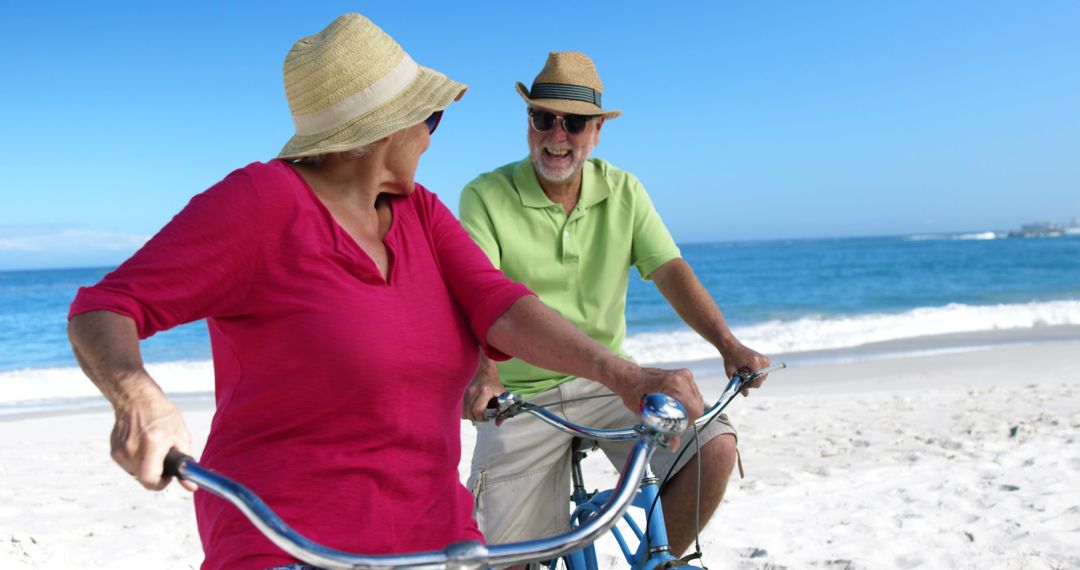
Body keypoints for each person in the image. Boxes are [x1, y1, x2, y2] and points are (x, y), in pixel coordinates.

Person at [67, 19, 702, 570]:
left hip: (435, 536)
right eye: (431, 118)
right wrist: (137, 396)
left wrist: (618, 372)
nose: (432, 136)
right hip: (287, 541)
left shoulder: (421, 212)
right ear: (384, 133)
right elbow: (105, 307)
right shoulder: (260, 205)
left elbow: (501, 305)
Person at [459, 51, 771, 561]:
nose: (556, 136)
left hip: (609, 384)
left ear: (598, 130)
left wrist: (728, 344)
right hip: (518, 398)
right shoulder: (485, 196)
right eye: (543, 118)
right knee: (507, 559)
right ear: (528, 121)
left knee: (714, 447)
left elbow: (669, 269)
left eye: (575, 123)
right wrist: (485, 374)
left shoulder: (624, 190)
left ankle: (652, 560)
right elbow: (479, 296)